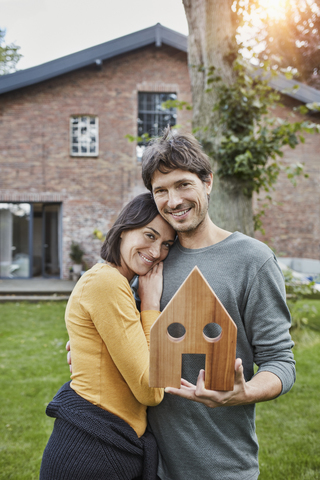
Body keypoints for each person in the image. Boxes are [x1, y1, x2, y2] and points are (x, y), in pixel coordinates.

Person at [139, 126, 296, 480]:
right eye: (160, 191)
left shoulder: (252, 260)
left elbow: (281, 361)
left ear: (207, 181)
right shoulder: (150, 258)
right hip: (146, 463)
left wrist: (244, 393)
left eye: (183, 185)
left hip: (222, 466)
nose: (173, 201)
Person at [40, 193, 175, 480]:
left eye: (166, 244)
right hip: (89, 451)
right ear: (124, 230)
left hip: (106, 444)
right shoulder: (107, 282)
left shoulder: (119, 283)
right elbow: (150, 390)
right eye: (149, 235)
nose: (156, 251)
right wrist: (151, 306)